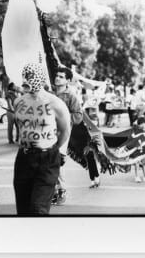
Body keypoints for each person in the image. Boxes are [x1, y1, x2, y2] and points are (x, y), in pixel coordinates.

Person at [13, 63, 71, 215]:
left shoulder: (56, 104)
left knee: (38, 209)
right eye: (25, 76)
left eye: (30, 76)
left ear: (40, 78)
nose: (26, 80)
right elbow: (20, 127)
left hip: (47, 159)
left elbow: (65, 131)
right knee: (23, 209)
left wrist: (53, 149)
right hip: (24, 158)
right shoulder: (18, 102)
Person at [54, 66, 83, 205]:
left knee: (57, 163)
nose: (57, 78)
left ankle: (61, 190)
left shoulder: (71, 96)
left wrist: (63, 116)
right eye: (57, 75)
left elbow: (78, 116)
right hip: (46, 133)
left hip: (62, 134)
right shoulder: (49, 93)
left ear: (68, 81)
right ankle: (51, 191)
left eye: (61, 76)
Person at [82, 99, 101, 188]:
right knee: (90, 161)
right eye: (90, 109)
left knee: (93, 160)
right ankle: (93, 179)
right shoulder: (84, 119)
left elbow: (96, 130)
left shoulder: (94, 118)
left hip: (94, 142)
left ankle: (96, 177)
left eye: (93, 109)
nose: (92, 111)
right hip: (86, 142)